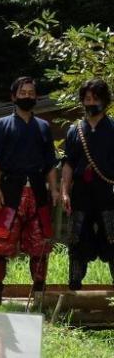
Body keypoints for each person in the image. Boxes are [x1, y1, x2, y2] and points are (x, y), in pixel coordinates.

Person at [0, 76, 61, 304]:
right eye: (23, 92)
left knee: (41, 245)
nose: (27, 96)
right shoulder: (1, 125)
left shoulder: (44, 127)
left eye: (31, 93)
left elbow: (50, 163)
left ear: (36, 97)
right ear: (13, 96)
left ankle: (38, 294)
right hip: (8, 191)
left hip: (38, 191)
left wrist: (55, 190)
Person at [61, 78, 114, 289]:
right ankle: (74, 288)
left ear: (104, 100)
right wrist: (65, 192)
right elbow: (68, 165)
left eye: (96, 98)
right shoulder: (75, 131)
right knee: (76, 239)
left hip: (108, 191)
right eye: (87, 98)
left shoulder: (112, 128)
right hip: (81, 192)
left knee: (113, 237)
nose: (91, 102)